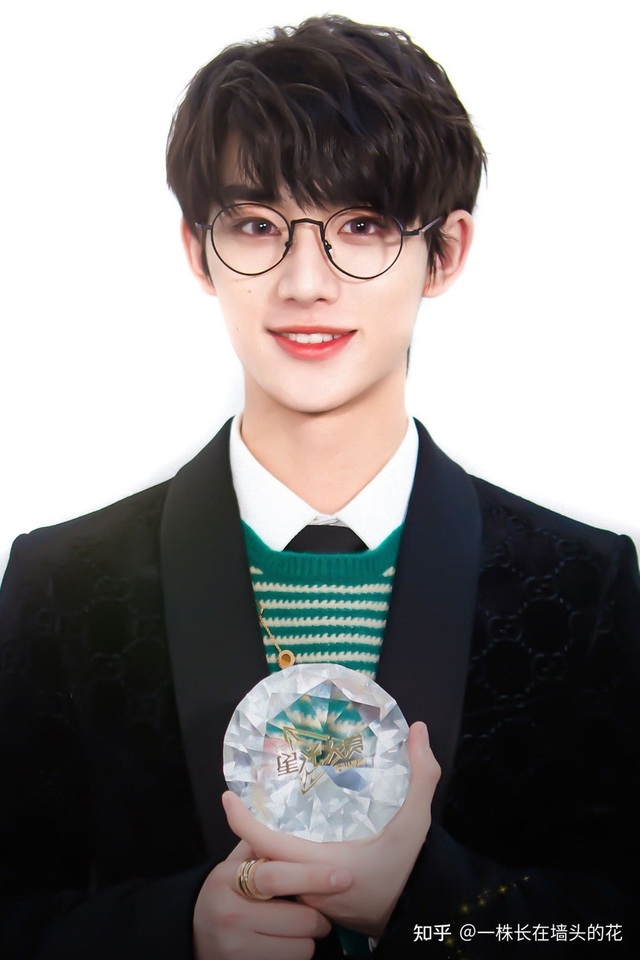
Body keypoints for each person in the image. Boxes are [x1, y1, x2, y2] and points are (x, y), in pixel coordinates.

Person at [0, 14, 637, 960]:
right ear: (198, 250)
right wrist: (179, 930)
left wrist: (433, 905)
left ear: (446, 253)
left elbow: (613, 921)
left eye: (362, 226)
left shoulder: (582, 588)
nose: (306, 281)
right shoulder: (65, 584)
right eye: (258, 226)